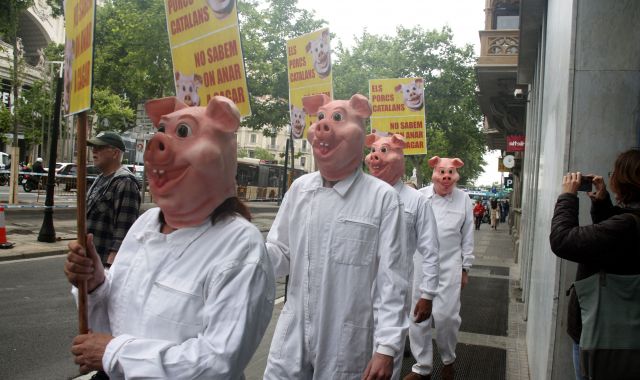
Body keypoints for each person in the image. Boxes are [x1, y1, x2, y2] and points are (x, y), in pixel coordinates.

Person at [64, 96, 275, 379]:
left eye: (184, 132)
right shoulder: (146, 223)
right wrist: (95, 282)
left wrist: (116, 353)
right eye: (162, 131)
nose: (159, 144)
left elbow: (217, 361)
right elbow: (117, 311)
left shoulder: (240, 246)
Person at [264, 94, 408, 380]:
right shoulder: (300, 189)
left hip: (347, 339)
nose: (323, 126)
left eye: (337, 118)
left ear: (362, 129)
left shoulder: (382, 199)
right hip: (292, 332)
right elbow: (280, 253)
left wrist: (387, 348)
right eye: (320, 119)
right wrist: (243, 253)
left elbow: (391, 280)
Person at [549, 149, 640, 380]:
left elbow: (563, 241)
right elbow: (611, 248)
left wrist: (567, 197)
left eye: (615, 174)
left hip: (603, 335)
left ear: (625, 181)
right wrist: (602, 205)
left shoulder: (626, 226)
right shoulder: (628, 222)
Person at [365, 133, 439, 380]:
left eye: (384, 151)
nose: (376, 157)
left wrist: (427, 294)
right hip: (356, 293)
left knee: (387, 363)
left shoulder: (417, 201)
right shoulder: (359, 195)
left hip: (394, 293)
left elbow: (430, 250)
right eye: (374, 150)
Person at [406, 156, 474, 380]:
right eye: (442, 172)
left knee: (446, 318)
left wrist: (466, 268)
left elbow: (468, 235)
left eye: (450, 173)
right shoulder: (420, 196)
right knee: (418, 317)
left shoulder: (464, 199)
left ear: (456, 174)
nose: (446, 178)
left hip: (450, 265)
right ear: (434, 171)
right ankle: (422, 366)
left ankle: (448, 359)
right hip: (421, 264)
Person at [86, 131, 141, 266]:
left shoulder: (125, 182)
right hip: (89, 262)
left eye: (99, 148)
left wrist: (109, 269)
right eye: (93, 148)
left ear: (115, 153)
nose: (94, 152)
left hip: (103, 265)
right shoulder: (100, 179)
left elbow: (123, 231)